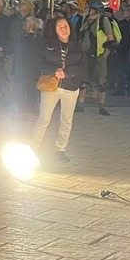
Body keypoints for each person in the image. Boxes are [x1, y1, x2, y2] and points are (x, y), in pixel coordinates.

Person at [31, 16, 85, 163]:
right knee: (44, 119)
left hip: (71, 86)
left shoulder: (77, 45)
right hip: (51, 85)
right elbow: (38, 63)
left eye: (65, 26)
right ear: (54, 30)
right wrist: (54, 70)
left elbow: (83, 66)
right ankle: (33, 148)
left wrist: (67, 73)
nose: (63, 29)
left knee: (66, 119)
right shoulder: (48, 44)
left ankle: (60, 149)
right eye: (60, 26)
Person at [76, 1, 118, 116]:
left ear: (95, 10)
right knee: (83, 80)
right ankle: (80, 105)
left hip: (98, 55)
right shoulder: (85, 20)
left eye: (88, 8)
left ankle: (101, 107)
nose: (86, 9)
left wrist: (104, 56)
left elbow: (111, 40)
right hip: (86, 55)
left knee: (101, 82)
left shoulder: (103, 21)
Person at [14, 16, 45, 118]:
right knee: (21, 90)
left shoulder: (39, 39)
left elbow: (40, 54)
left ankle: (32, 110)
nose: (24, 25)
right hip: (21, 67)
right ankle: (23, 109)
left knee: (31, 90)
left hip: (32, 69)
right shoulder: (21, 36)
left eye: (27, 23)